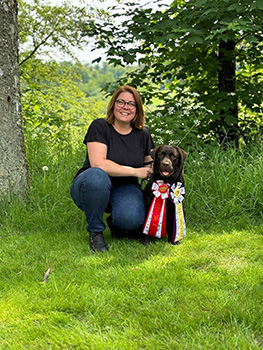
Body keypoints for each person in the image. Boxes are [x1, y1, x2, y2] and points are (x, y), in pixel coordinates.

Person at [70, 85, 154, 252]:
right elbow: (98, 164)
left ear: (137, 109)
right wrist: (135, 171)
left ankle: (117, 222)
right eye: (121, 102)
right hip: (90, 186)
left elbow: (150, 164)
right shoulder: (100, 126)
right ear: (113, 104)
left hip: (126, 187)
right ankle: (96, 232)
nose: (125, 107)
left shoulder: (143, 134)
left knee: (131, 221)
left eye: (131, 104)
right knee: (97, 175)